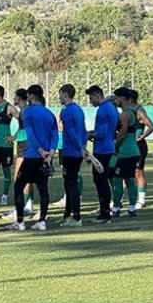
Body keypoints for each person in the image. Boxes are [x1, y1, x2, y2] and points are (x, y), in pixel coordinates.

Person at [7, 85, 58, 231]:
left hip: (32, 156)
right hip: (45, 158)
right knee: (43, 188)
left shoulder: (28, 112)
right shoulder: (49, 114)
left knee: (18, 186)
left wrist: (41, 151)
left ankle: (20, 222)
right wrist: (50, 153)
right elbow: (54, 135)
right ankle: (42, 221)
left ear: (31, 96)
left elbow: (30, 134)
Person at [86, 85, 120, 223]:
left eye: (91, 98)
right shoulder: (112, 108)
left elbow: (101, 133)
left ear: (97, 96)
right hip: (109, 147)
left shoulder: (102, 109)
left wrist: (88, 134)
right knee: (102, 179)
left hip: (102, 149)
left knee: (100, 180)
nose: (90, 101)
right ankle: (105, 210)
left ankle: (104, 213)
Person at [57, 85, 88, 227]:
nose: (59, 97)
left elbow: (70, 132)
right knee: (68, 183)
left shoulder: (67, 111)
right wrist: (83, 147)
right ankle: (67, 215)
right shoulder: (78, 109)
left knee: (71, 183)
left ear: (65, 94)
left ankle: (76, 217)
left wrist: (80, 148)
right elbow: (83, 131)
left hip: (71, 152)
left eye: (60, 94)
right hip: (77, 151)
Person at [110, 87, 142, 218]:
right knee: (129, 179)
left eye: (116, 98)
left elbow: (121, 135)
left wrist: (114, 147)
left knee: (117, 179)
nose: (115, 101)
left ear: (122, 99)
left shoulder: (125, 114)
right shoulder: (132, 112)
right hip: (133, 150)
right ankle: (132, 208)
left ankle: (116, 208)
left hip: (125, 152)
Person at [4, 89, 35, 219]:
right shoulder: (24, 110)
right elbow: (23, 127)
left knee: (19, 176)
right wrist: (14, 136)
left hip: (25, 143)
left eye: (15, 96)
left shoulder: (26, 110)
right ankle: (28, 205)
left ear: (20, 98)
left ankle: (22, 206)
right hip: (23, 142)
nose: (13, 98)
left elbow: (29, 127)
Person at [130, 89, 153, 208]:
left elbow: (151, 126)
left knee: (138, 172)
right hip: (129, 145)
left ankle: (141, 200)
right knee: (128, 173)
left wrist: (141, 136)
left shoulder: (139, 110)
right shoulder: (128, 110)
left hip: (138, 146)